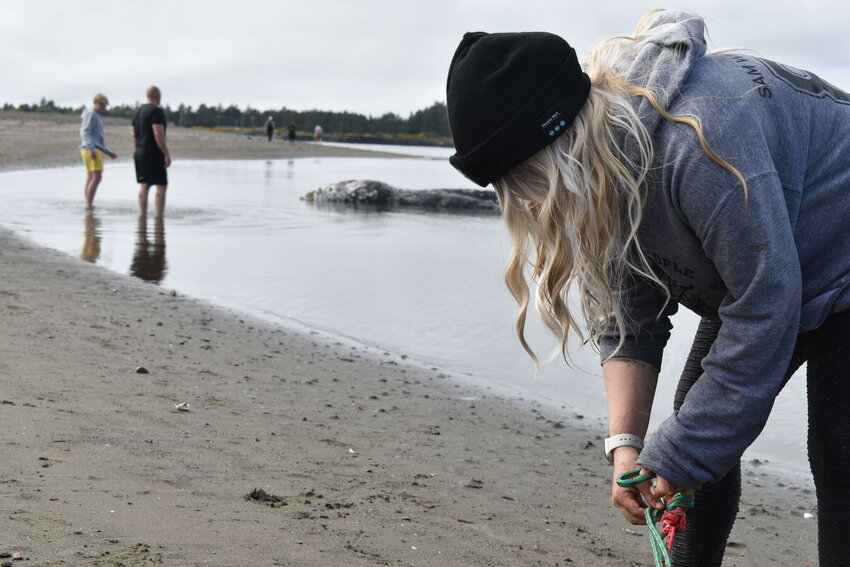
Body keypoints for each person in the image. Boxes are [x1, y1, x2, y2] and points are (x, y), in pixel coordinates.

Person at [445, 10, 850, 566]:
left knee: (838, 450)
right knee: (695, 428)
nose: (530, 205)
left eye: (527, 185)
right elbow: (629, 318)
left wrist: (679, 454)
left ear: (557, 147)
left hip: (840, 250)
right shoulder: (605, 166)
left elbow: (763, 316)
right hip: (776, 263)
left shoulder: (699, 144)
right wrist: (627, 449)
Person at [132, 85, 171, 217]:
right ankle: (159, 217)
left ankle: (142, 216)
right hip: (153, 153)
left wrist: (138, 149)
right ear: (158, 96)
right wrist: (166, 153)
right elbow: (158, 134)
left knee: (145, 184)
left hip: (140, 152)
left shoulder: (138, 111)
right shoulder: (156, 111)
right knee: (161, 185)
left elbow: (134, 135)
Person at [79, 93, 118, 209]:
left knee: (91, 177)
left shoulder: (93, 114)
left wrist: (108, 152)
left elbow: (96, 138)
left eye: (104, 105)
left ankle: (88, 204)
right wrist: (91, 149)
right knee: (96, 177)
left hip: (91, 148)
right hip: (91, 149)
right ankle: (89, 205)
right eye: (101, 104)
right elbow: (85, 132)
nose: (103, 107)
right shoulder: (91, 114)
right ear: (95, 103)